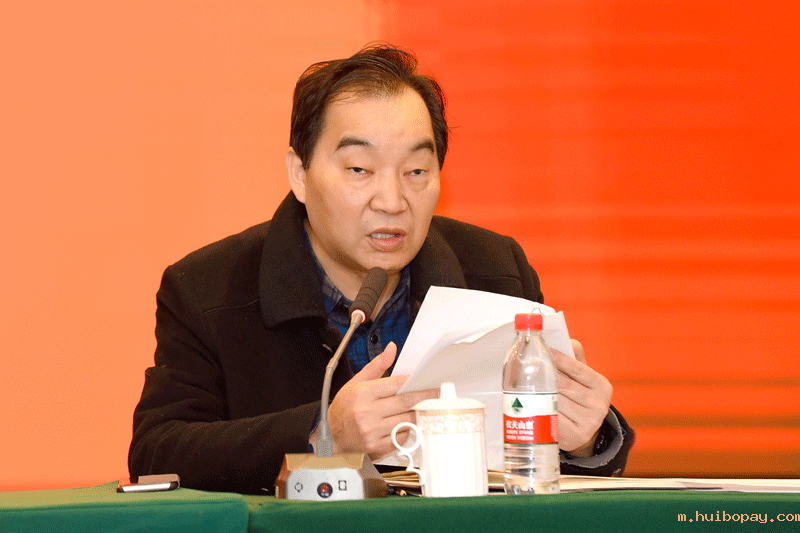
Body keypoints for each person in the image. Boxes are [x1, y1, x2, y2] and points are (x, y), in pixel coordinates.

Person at [129, 44, 633, 495]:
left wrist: (584, 439)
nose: (392, 201)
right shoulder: (207, 289)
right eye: (359, 170)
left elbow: (545, 466)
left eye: (416, 171)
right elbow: (157, 453)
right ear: (300, 174)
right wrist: (322, 434)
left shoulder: (495, 271)